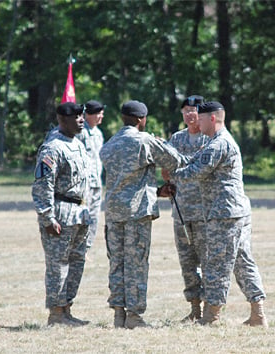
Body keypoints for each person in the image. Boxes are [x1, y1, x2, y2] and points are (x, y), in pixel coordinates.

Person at [171, 101, 268, 327]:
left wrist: (171, 170)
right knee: (243, 262)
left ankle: (211, 316)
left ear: (212, 119)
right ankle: (258, 313)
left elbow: (195, 171)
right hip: (234, 211)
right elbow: (195, 164)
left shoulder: (218, 144)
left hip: (224, 213)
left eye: (201, 118)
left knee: (216, 264)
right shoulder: (219, 142)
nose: (197, 121)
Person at [99, 100, 183, 329]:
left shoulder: (109, 145)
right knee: (136, 263)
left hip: (114, 213)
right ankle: (134, 316)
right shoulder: (144, 141)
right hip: (137, 213)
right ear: (140, 120)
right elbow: (174, 160)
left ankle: (118, 314)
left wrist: (155, 191)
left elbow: (123, 181)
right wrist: (159, 142)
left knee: (117, 263)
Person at [32, 102, 90, 326]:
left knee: (76, 262)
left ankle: (66, 309)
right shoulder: (52, 148)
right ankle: (56, 313)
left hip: (79, 212)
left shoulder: (78, 144)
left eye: (81, 116)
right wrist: (47, 217)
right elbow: (42, 185)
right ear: (62, 120)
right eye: (76, 117)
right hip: (61, 212)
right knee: (58, 264)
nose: (81, 120)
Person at [164, 95, 209, 322]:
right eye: (186, 110)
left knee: (208, 261)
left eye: (194, 110)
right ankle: (194, 309)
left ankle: (211, 310)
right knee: (187, 263)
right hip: (181, 211)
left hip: (204, 212)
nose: (190, 114)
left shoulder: (210, 138)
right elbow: (166, 168)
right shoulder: (177, 139)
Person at [76, 100, 105, 253]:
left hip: (96, 183)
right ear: (88, 115)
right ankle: (78, 248)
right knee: (83, 217)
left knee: (94, 217)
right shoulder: (80, 133)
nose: (101, 116)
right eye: (98, 113)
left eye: (102, 113)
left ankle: (86, 248)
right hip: (84, 184)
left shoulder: (99, 134)